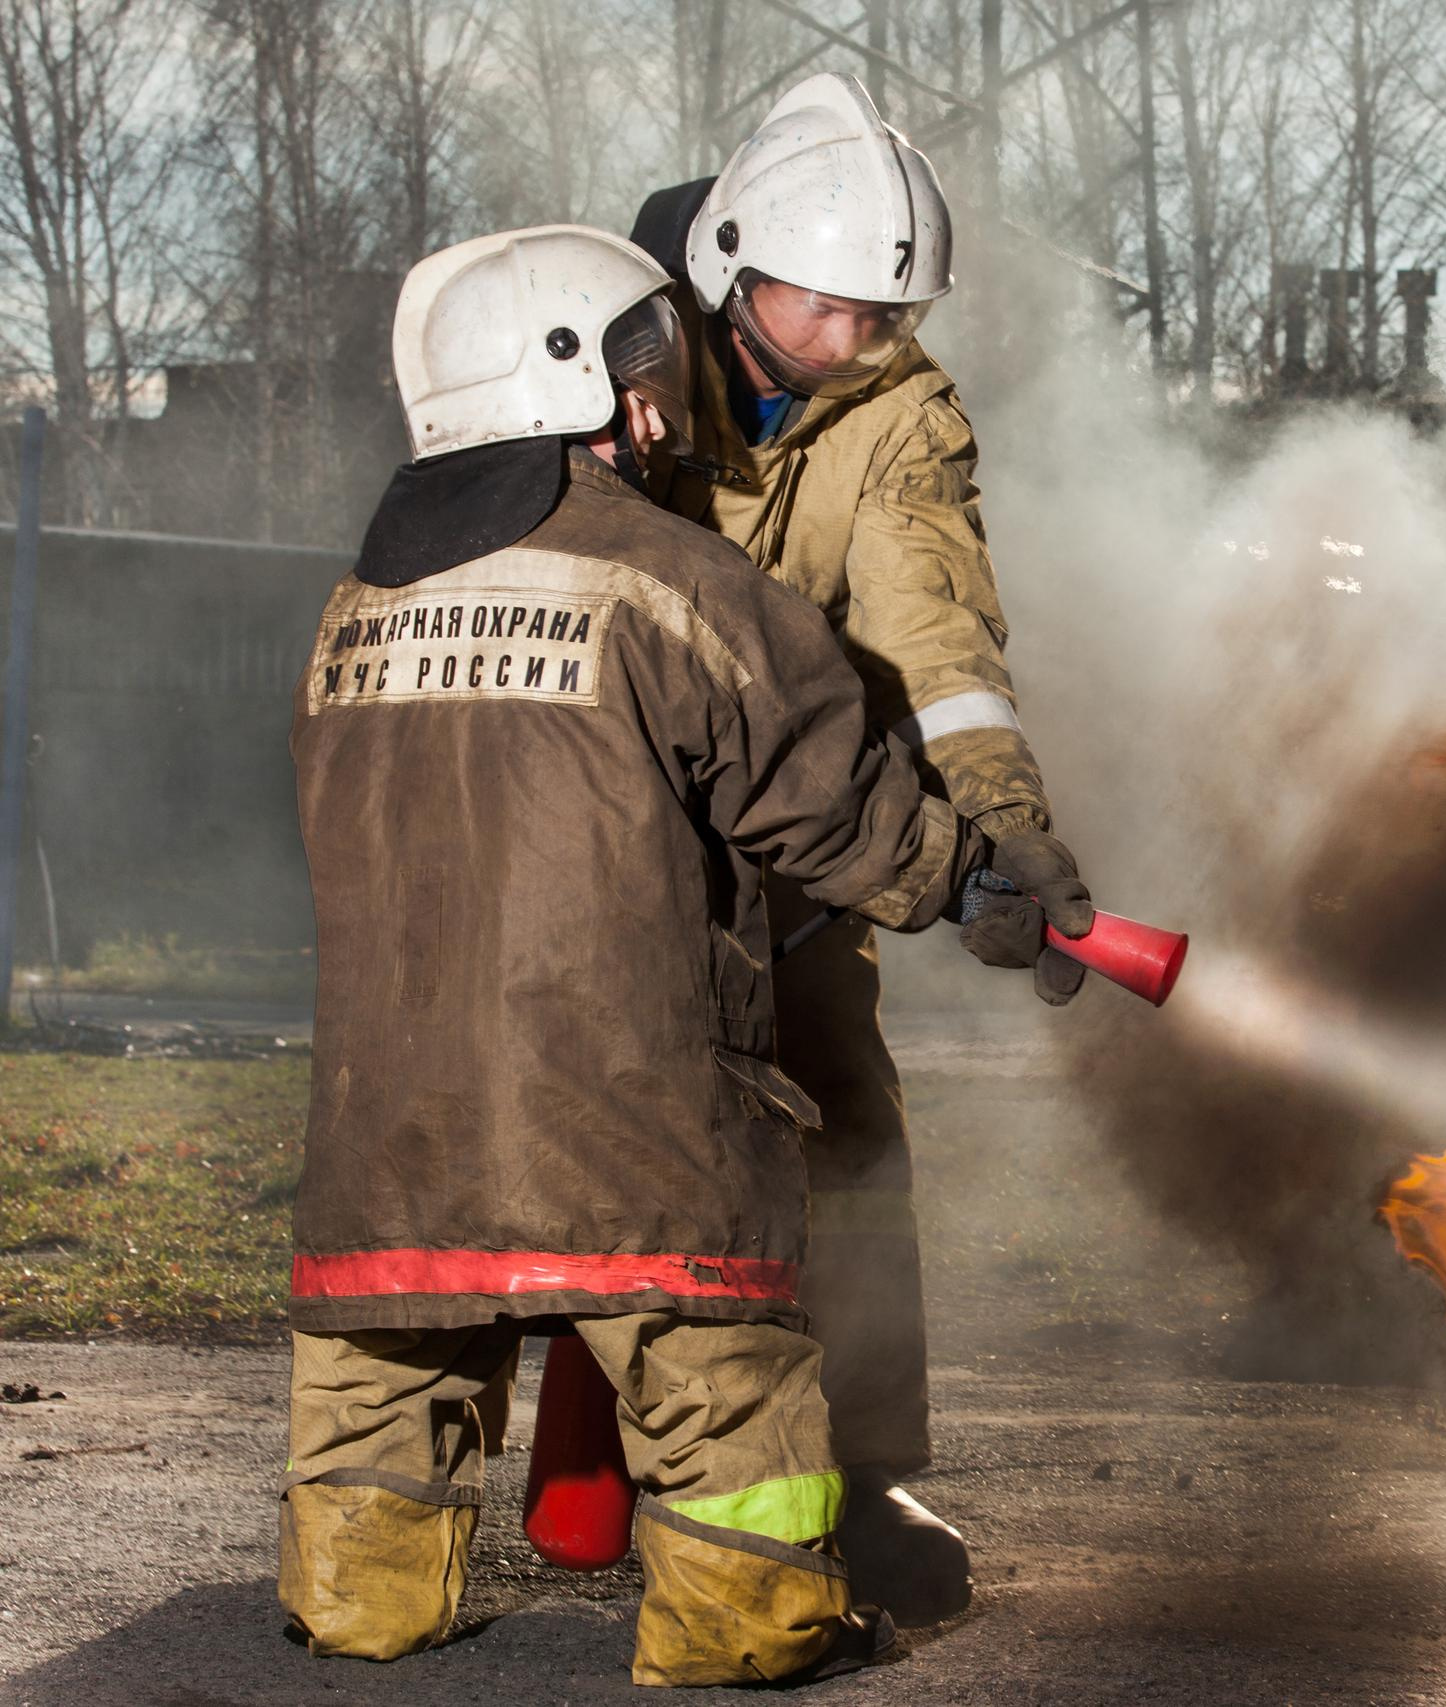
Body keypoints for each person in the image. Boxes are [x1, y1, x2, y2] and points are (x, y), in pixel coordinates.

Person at [279, 224, 1061, 1686]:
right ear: (583, 385)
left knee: (380, 1382)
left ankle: (357, 1605)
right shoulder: (675, 583)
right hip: (629, 1117)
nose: (668, 413)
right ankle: (747, 1626)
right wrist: (970, 879)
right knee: (724, 1386)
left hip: (384, 1123)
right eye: (649, 383)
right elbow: (823, 794)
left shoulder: (352, 612)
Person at [630, 70, 1088, 1623]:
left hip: (796, 841)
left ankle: (867, 1467)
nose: (851, 346)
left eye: (883, 319)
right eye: (825, 311)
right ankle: (532, 1468)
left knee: (848, 1138)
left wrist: (1004, 822)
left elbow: (933, 640)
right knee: (573, 1150)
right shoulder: (597, 350)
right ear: (730, 262)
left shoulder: (896, 408)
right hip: (601, 828)